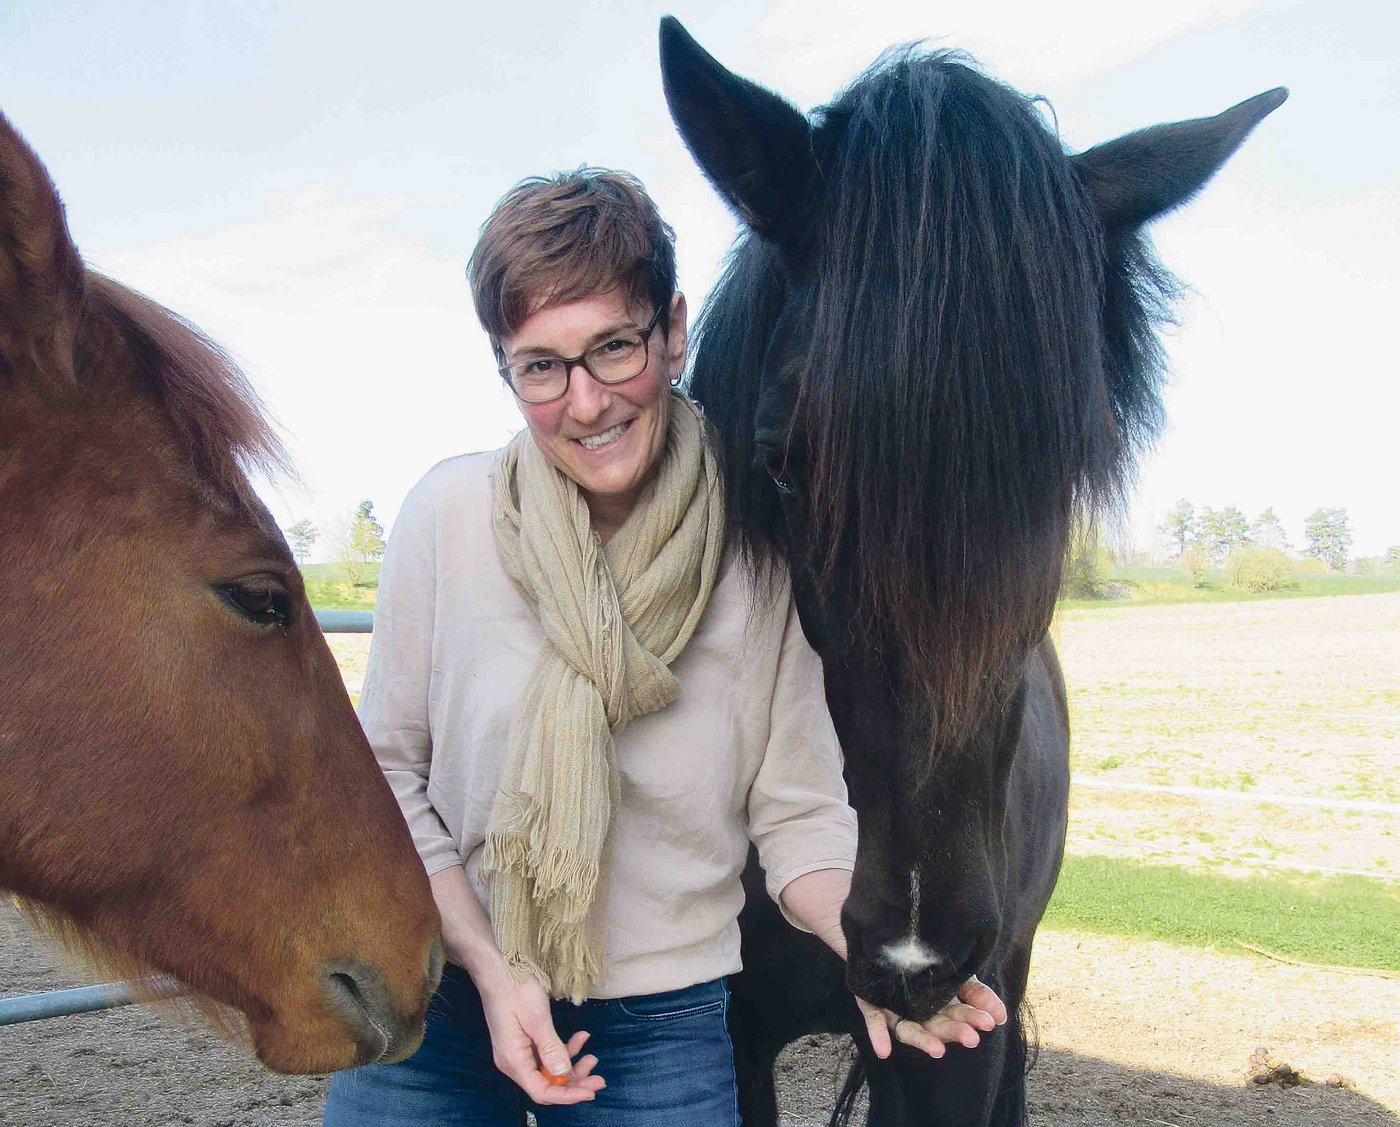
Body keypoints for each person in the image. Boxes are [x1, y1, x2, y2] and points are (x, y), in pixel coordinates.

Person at [323, 168, 1005, 1126]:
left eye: (613, 347)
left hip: (655, 1024)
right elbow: (386, 771)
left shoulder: (760, 549)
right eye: (541, 365)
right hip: (437, 992)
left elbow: (800, 814)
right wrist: (491, 966)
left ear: (673, 330)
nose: (587, 400)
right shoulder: (448, 514)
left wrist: (869, 950)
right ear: (506, 370)